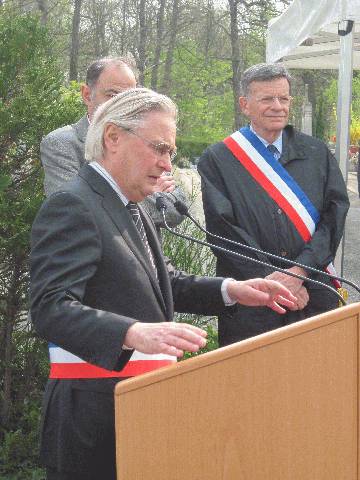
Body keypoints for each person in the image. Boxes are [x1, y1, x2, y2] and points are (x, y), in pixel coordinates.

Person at [30, 88, 296, 480]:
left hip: (139, 408)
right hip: (93, 418)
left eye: (170, 152)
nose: (166, 164)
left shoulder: (128, 203)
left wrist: (230, 290)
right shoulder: (74, 204)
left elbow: (161, 282)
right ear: (113, 137)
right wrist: (132, 332)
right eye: (159, 148)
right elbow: (50, 307)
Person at [198, 63, 349, 347]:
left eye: (284, 98)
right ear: (245, 104)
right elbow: (223, 231)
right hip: (251, 299)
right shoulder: (218, 159)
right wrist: (274, 284)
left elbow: (334, 217)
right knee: (253, 385)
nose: (277, 106)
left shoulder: (316, 153)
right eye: (267, 99)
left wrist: (299, 273)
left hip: (313, 291)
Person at [40, 56, 187, 229]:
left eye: (129, 98)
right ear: (87, 95)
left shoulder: (149, 141)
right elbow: (74, 212)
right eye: (113, 95)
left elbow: (175, 211)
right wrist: (150, 192)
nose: (123, 105)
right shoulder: (63, 143)